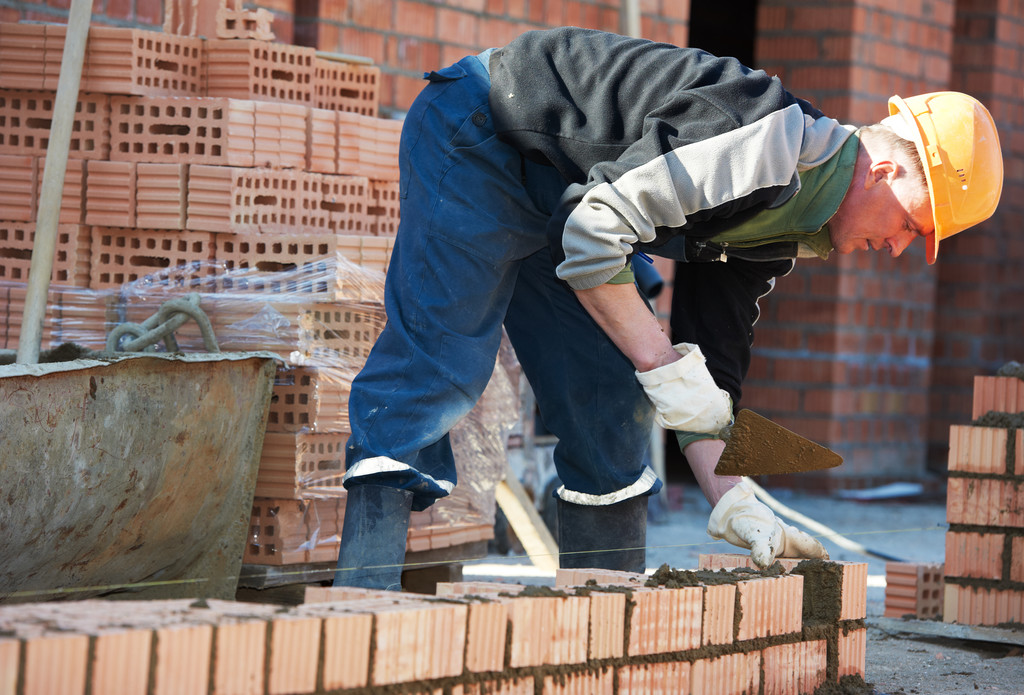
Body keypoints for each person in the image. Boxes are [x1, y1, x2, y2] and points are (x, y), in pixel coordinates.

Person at [333, 27, 1004, 589]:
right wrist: (658, 356)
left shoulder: (779, 233)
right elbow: (597, 233)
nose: (896, 248)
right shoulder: (759, 137)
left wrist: (736, 499)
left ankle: (602, 629)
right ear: (886, 173)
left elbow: (708, 382)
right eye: (912, 226)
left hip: (569, 196)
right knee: (441, 365)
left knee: (609, 404)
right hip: (484, 131)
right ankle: (359, 608)